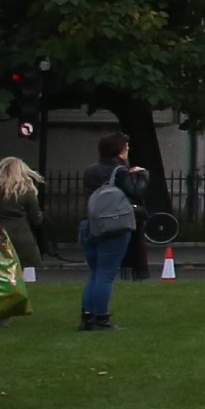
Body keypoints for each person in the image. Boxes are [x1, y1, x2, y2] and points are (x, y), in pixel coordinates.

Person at [75, 131, 150, 330]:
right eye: (126, 146)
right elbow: (135, 191)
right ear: (119, 150)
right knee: (106, 274)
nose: (128, 150)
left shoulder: (91, 171)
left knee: (95, 272)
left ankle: (87, 316)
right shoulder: (121, 171)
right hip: (113, 224)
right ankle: (101, 318)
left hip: (89, 222)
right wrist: (142, 176)